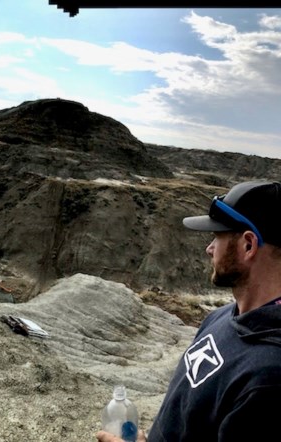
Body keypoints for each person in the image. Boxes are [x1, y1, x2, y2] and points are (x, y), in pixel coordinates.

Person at [97, 181, 281, 442]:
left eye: (218, 237)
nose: (209, 249)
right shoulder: (223, 316)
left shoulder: (270, 378)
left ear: (248, 245)